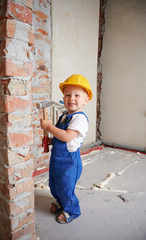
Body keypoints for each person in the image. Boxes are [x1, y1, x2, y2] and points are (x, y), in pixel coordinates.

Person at [40, 74, 93, 224]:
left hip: (69, 162)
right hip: (57, 158)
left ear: (86, 100)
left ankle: (72, 210)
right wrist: (51, 139)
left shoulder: (80, 119)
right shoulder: (65, 116)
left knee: (65, 187)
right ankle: (62, 202)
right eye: (67, 95)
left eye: (77, 95)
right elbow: (60, 136)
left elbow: (67, 137)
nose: (71, 98)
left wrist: (49, 127)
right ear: (63, 98)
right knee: (55, 184)